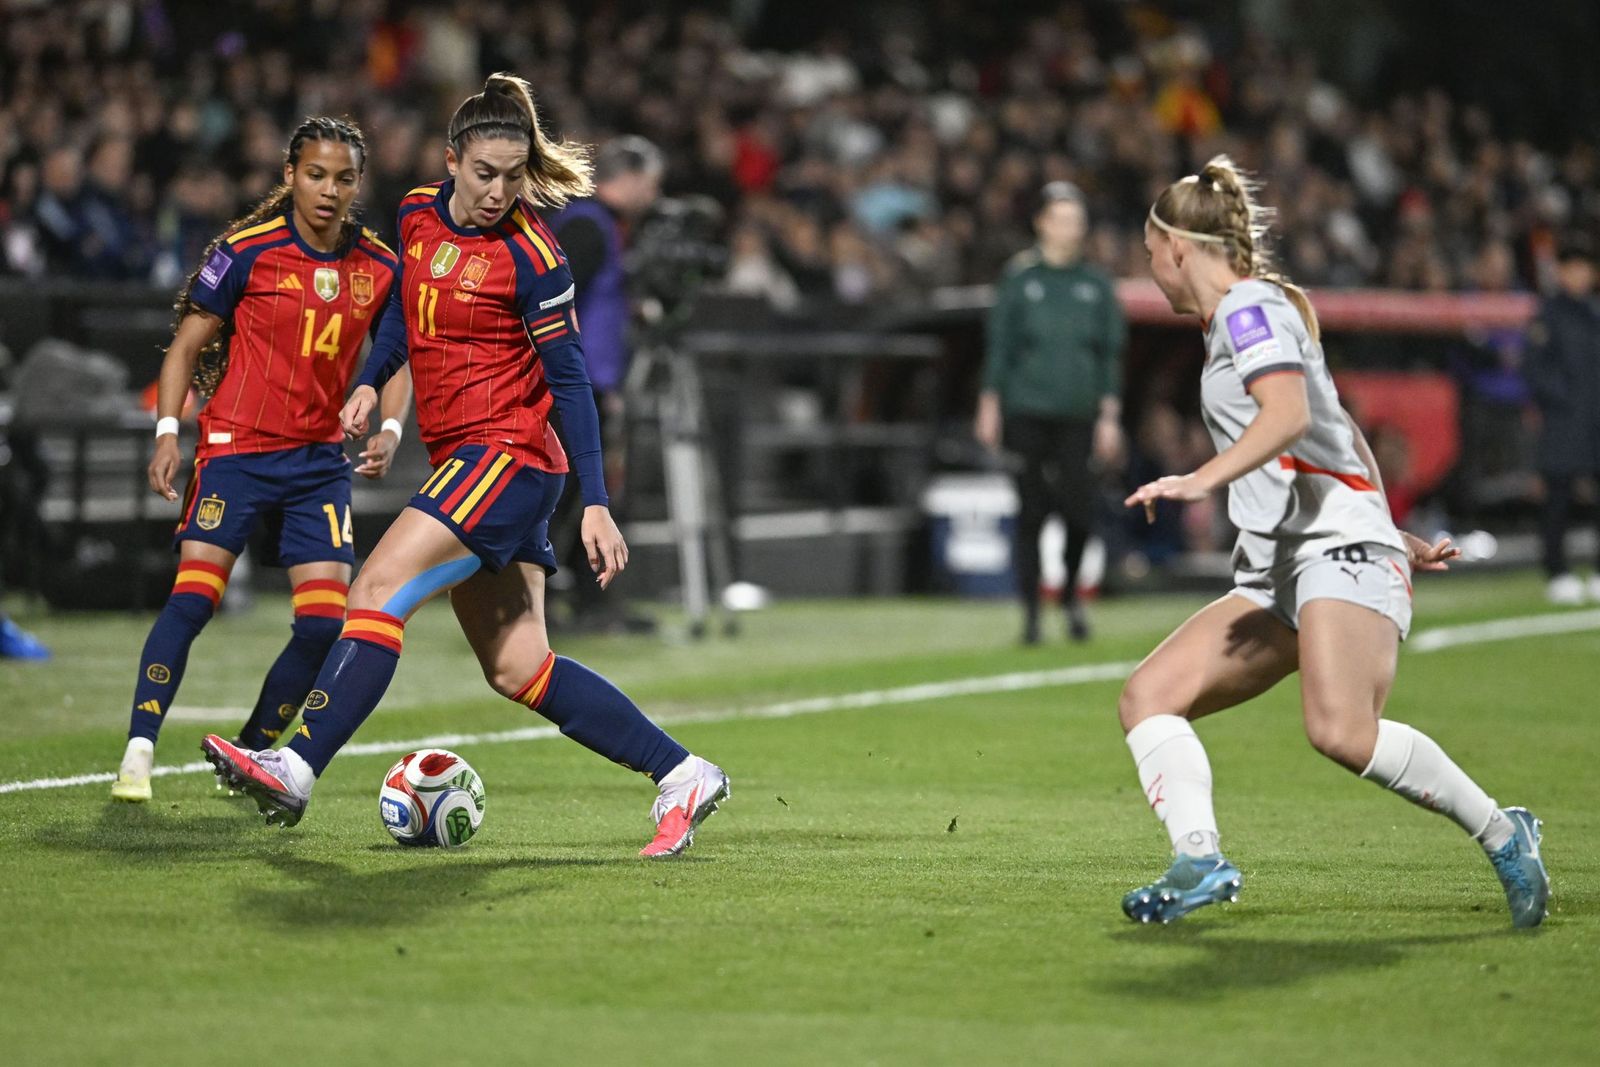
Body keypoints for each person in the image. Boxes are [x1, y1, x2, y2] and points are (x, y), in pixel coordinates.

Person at [201, 75, 730, 859]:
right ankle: (682, 771)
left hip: (508, 455)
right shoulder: (416, 215)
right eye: (485, 173)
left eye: (514, 177)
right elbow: (402, 319)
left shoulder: (533, 255)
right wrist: (375, 384)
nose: (499, 190)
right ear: (452, 160)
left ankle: (296, 763)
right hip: (469, 459)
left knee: (374, 588)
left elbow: (573, 380)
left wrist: (596, 499)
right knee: (519, 666)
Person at [1117, 156, 1549, 927]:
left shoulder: (1249, 310)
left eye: (1149, 253)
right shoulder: (1241, 321)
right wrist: (1391, 525)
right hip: (1289, 563)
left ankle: (1502, 829)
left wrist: (1197, 478)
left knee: (1341, 731)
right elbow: (1335, 427)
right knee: (1149, 695)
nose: (1149, 270)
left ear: (1179, 248)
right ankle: (1199, 857)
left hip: (1334, 552)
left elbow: (1284, 415)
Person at [111, 117, 413, 803]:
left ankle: (249, 754)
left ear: (357, 184)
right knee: (194, 599)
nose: (329, 190)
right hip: (236, 450)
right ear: (289, 176)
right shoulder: (246, 250)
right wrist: (166, 431)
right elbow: (186, 346)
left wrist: (390, 425)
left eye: (342, 178)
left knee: (323, 624)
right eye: (315, 175)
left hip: (316, 463)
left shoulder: (381, 265)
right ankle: (138, 749)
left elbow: (397, 354)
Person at [975, 181, 1125, 644]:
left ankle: (1072, 597)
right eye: (1062, 218)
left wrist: (1108, 416)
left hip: (1077, 414)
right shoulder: (1020, 279)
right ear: (1042, 223)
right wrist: (989, 404)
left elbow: (1110, 355)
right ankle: (1031, 613)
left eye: (1076, 220)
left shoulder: (1095, 286)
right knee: (1031, 511)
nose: (1070, 228)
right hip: (1027, 411)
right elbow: (999, 347)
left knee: (1080, 512)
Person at [544, 135, 663, 632]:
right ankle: (533, 600)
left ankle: (586, 599)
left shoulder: (598, 224)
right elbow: (555, 303)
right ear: (631, 179)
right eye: (652, 184)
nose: (655, 195)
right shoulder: (589, 227)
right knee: (559, 496)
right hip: (569, 385)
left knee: (579, 497)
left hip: (588, 382)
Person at [1524, 236, 1600, 605]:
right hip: (1562, 422)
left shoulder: (1594, 314)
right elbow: (1535, 372)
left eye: (1585, 268)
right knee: (1558, 498)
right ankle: (1557, 571)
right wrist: (1565, 402)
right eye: (1572, 268)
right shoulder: (1547, 316)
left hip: (1595, 420)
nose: (1579, 276)